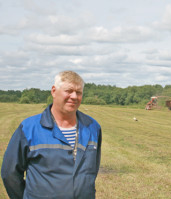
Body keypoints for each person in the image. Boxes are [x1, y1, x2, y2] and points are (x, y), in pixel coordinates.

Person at [1, 71, 102, 199]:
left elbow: (92, 170)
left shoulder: (93, 127)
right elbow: (10, 174)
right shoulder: (28, 128)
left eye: (79, 92)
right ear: (54, 91)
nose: (74, 96)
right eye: (69, 90)